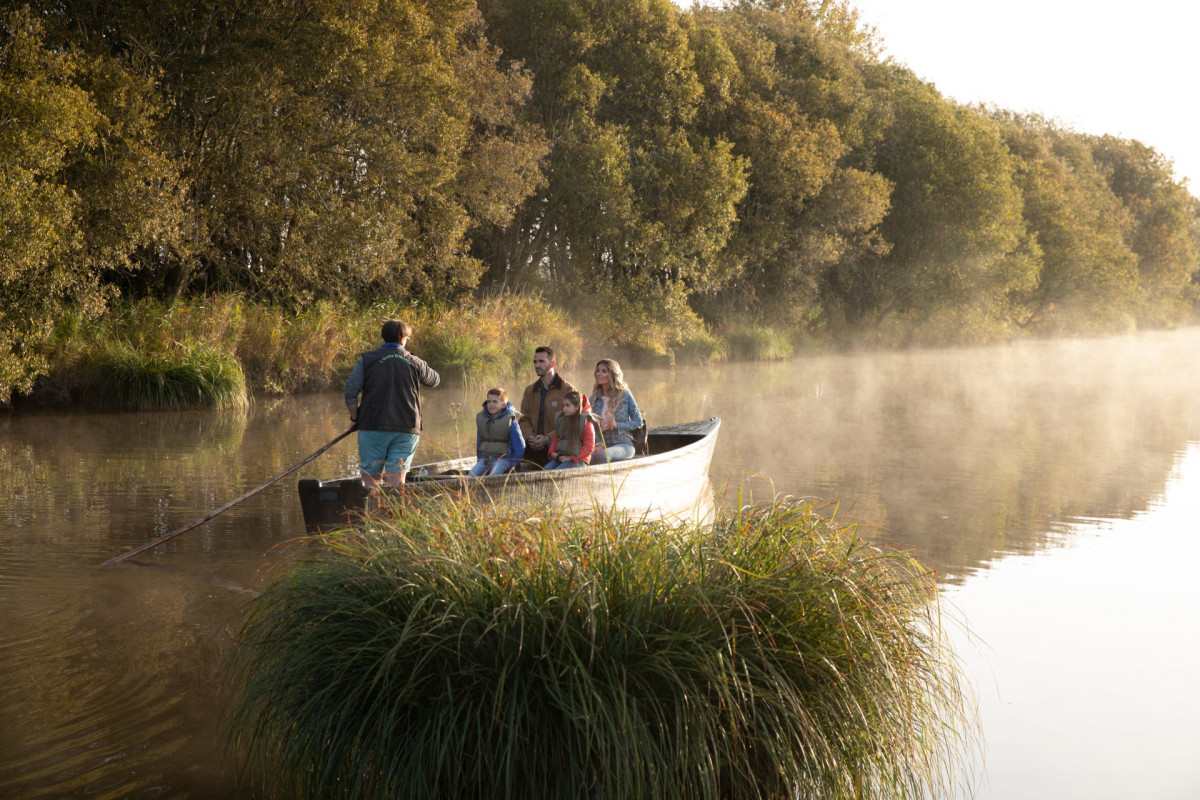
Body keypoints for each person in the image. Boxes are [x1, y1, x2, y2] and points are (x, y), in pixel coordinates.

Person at [344, 320, 441, 488]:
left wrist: (355, 417)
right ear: (403, 339)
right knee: (396, 480)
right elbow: (434, 380)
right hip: (407, 427)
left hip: (373, 427)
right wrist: (416, 360)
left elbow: (350, 392)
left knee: (371, 480)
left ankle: (372, 511)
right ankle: (394, 512)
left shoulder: (367, 360)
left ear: (383, 337)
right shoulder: (415, 361)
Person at [518, 346, 577, 467]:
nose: (537, 365)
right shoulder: (530, 390)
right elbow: (524, 419)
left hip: (556, 446)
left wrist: (547, 438)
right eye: (535, 361)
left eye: (541, 361)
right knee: (509, 452)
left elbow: (572, 421)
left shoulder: (568, 389)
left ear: (553, 363)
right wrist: (530, 438)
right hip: (533, 445)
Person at [589, 357, 644, 464]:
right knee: (586, 457)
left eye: (604, 371)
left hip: (623, 444)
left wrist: (617, 426)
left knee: (602, 455)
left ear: (613, 375)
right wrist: (597, 442)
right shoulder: (593, 398)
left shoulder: (625, 395)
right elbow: (590, 426)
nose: (599, 374)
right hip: (601, 444)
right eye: (598, 370)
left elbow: (639, 422)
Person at [468, 388, 525, 477]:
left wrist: (513, 465)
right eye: (489, 402)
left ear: (503, 405)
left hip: (504, 459)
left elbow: (520, 446)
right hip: (486, 459)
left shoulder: (511, 421)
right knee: (471, 475)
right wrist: (480, 460)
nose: (491, 404)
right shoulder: (483, 420)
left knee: (493, 476)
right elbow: (479, 442)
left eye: (495, 402)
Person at [545, 391, 594, 469]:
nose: (564, 408)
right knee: (546, 469)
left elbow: (589, 447)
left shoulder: (586, 423)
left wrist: (571, 458)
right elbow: (556, 439)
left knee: (558, 472)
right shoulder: (562, 421)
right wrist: (552, 453)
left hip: (579, 460)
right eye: (563, 405)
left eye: (568, 405)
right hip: (562, 456)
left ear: (577, 407)